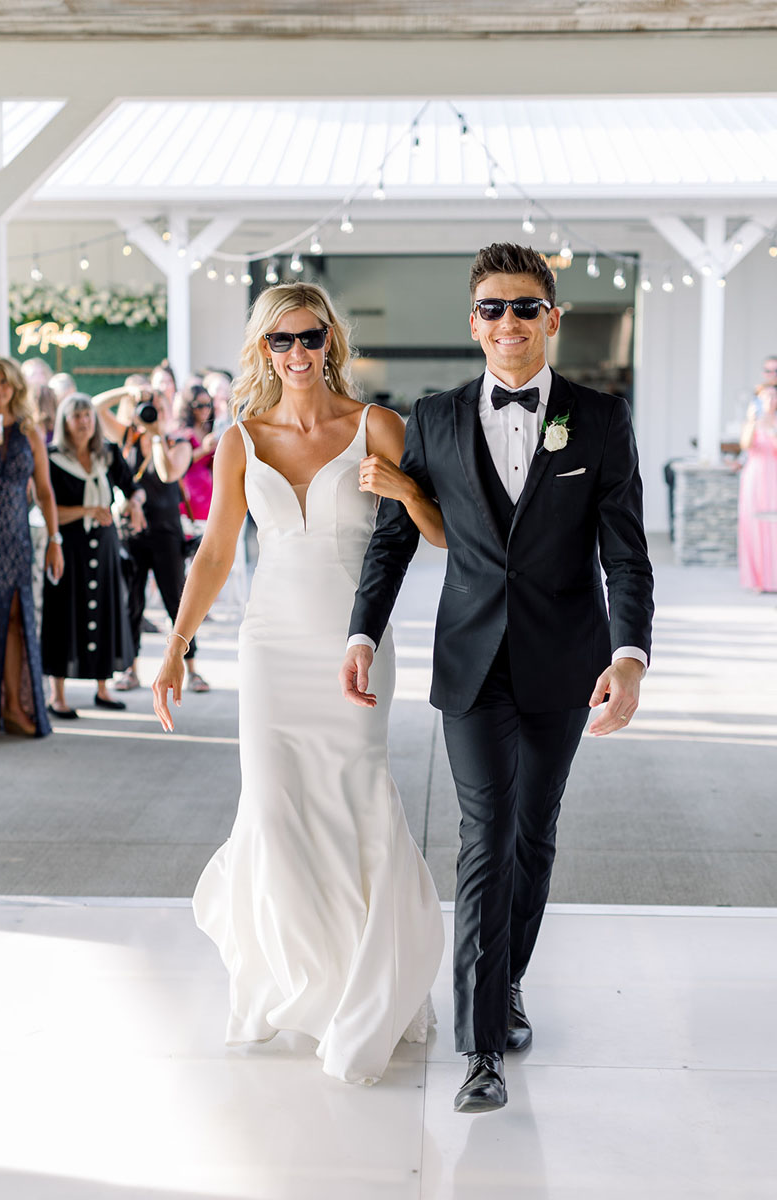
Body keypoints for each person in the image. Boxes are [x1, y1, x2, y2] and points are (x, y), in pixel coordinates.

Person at [340, 243, 655, 1114]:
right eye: (491, 307)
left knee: (534, 834)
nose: (507, 322)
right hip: (472, 664)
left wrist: (629, 656)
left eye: (524, 307)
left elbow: (626, 555)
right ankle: (481, 1047)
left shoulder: (599, 419)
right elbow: (396, 536)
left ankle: (505, 981)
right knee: (485, 839)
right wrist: (363, 630)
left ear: (551, 318)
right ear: (471, 320)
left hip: (567, 662)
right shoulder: (433, 417)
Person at [152, 282, 445, 1085]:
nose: (297, 354)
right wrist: (178, 645)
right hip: (270, 647)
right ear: (263, 350)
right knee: (276, 814)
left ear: (330, 341)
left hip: (355, 644)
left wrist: (408, 489)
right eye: (280, 342)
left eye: (309, 337)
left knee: (356, 804)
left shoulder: (378, 425)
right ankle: (303, 988)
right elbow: (215, 554)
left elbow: (444, 532)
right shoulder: (240, 439)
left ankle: (365, 992)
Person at [94, 386, 210, 693]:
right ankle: (130, 670)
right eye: (146, 405)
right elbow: (95, 407)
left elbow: (168, 472)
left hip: (166, 532)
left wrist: (158, 434)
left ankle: (193, 668)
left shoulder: (179, 441)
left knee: (177, 600)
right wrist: (126, 392)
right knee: (132, 601)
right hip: (132, 532)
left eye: (157, 405)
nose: (150, 410)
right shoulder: (126, 438)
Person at [40, 394, 144, 717]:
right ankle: (58, 695)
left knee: (104, 611)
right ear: (64, 423)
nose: (84, 421)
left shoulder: (108, 454)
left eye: (88, 415)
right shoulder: (52, 458)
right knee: (64, 614)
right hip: (67, 545)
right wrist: (89, 510)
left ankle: (102, 688)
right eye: (76, 416)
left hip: (106, 543)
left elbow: (132, 487)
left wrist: (134, 503)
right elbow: (48, 508)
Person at [0, 355, 63, 737]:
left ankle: (13, 706)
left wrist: (54, 540)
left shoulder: (29, 430)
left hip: (14, 538)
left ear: (15, 387)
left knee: (14, 620)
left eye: (3, 383)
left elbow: (44, 491)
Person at [738, 384, 777, 592]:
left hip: (774, 477)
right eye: (765, 397)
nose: (770, 401)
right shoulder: (752, 421)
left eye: (773, 397)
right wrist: (753, 421)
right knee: (754, 526)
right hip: (755, 477)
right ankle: (759, 580)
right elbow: (745, 444)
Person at [173, 383, 217, 524]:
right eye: (200, 405)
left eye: (208, 405)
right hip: (189, 488)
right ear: (189, 407)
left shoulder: (210, 429)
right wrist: (204, 449)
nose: (205, 409)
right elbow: (180, 462)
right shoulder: (183, 432)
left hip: (208, 488)